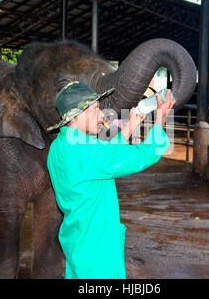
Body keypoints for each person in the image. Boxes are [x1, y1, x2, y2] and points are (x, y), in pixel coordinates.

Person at [46, 81, 175, 279]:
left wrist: (131, 125)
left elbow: (105, 156)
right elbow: (143, 155)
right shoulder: (85, 151)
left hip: (77, 237)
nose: (101, 116)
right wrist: (161, 119)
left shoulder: (59, 147)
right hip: (97, 245)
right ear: (76, 116)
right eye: (95, 109)